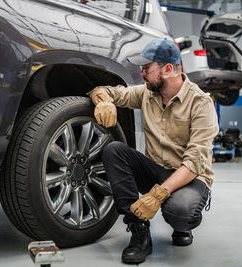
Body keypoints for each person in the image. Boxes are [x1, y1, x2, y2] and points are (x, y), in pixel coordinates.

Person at [88, 38, 219, 264]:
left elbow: (194, 163)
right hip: (156, 169)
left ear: (168, 69)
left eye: (146, 68)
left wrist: (157, 196)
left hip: (188, 177)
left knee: (179, 212)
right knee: (114, 150)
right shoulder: (147, 93)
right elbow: (106, 91)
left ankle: (182, 225)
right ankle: (139, 232)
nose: (141, 73)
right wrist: (102, 100)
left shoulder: (200, 103)